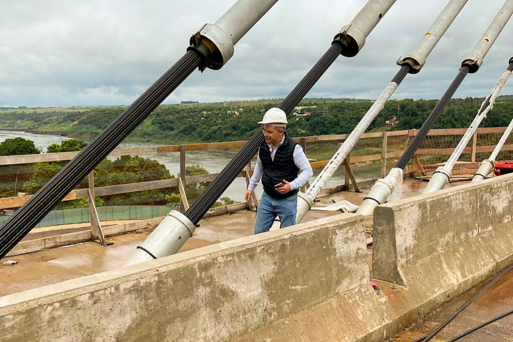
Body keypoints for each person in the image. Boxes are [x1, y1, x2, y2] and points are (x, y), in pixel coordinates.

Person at [245, 108, 313, 234]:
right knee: (258, 233)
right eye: (264, 130)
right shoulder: (263, 147)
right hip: (267, 197)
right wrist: (251, 187)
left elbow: (308, 171)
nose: (265, 134)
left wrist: (291, 186)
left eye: (269, 132)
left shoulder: (294, 149)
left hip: (287, 200)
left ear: (281, 131)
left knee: (286, 235)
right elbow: (259, 167)